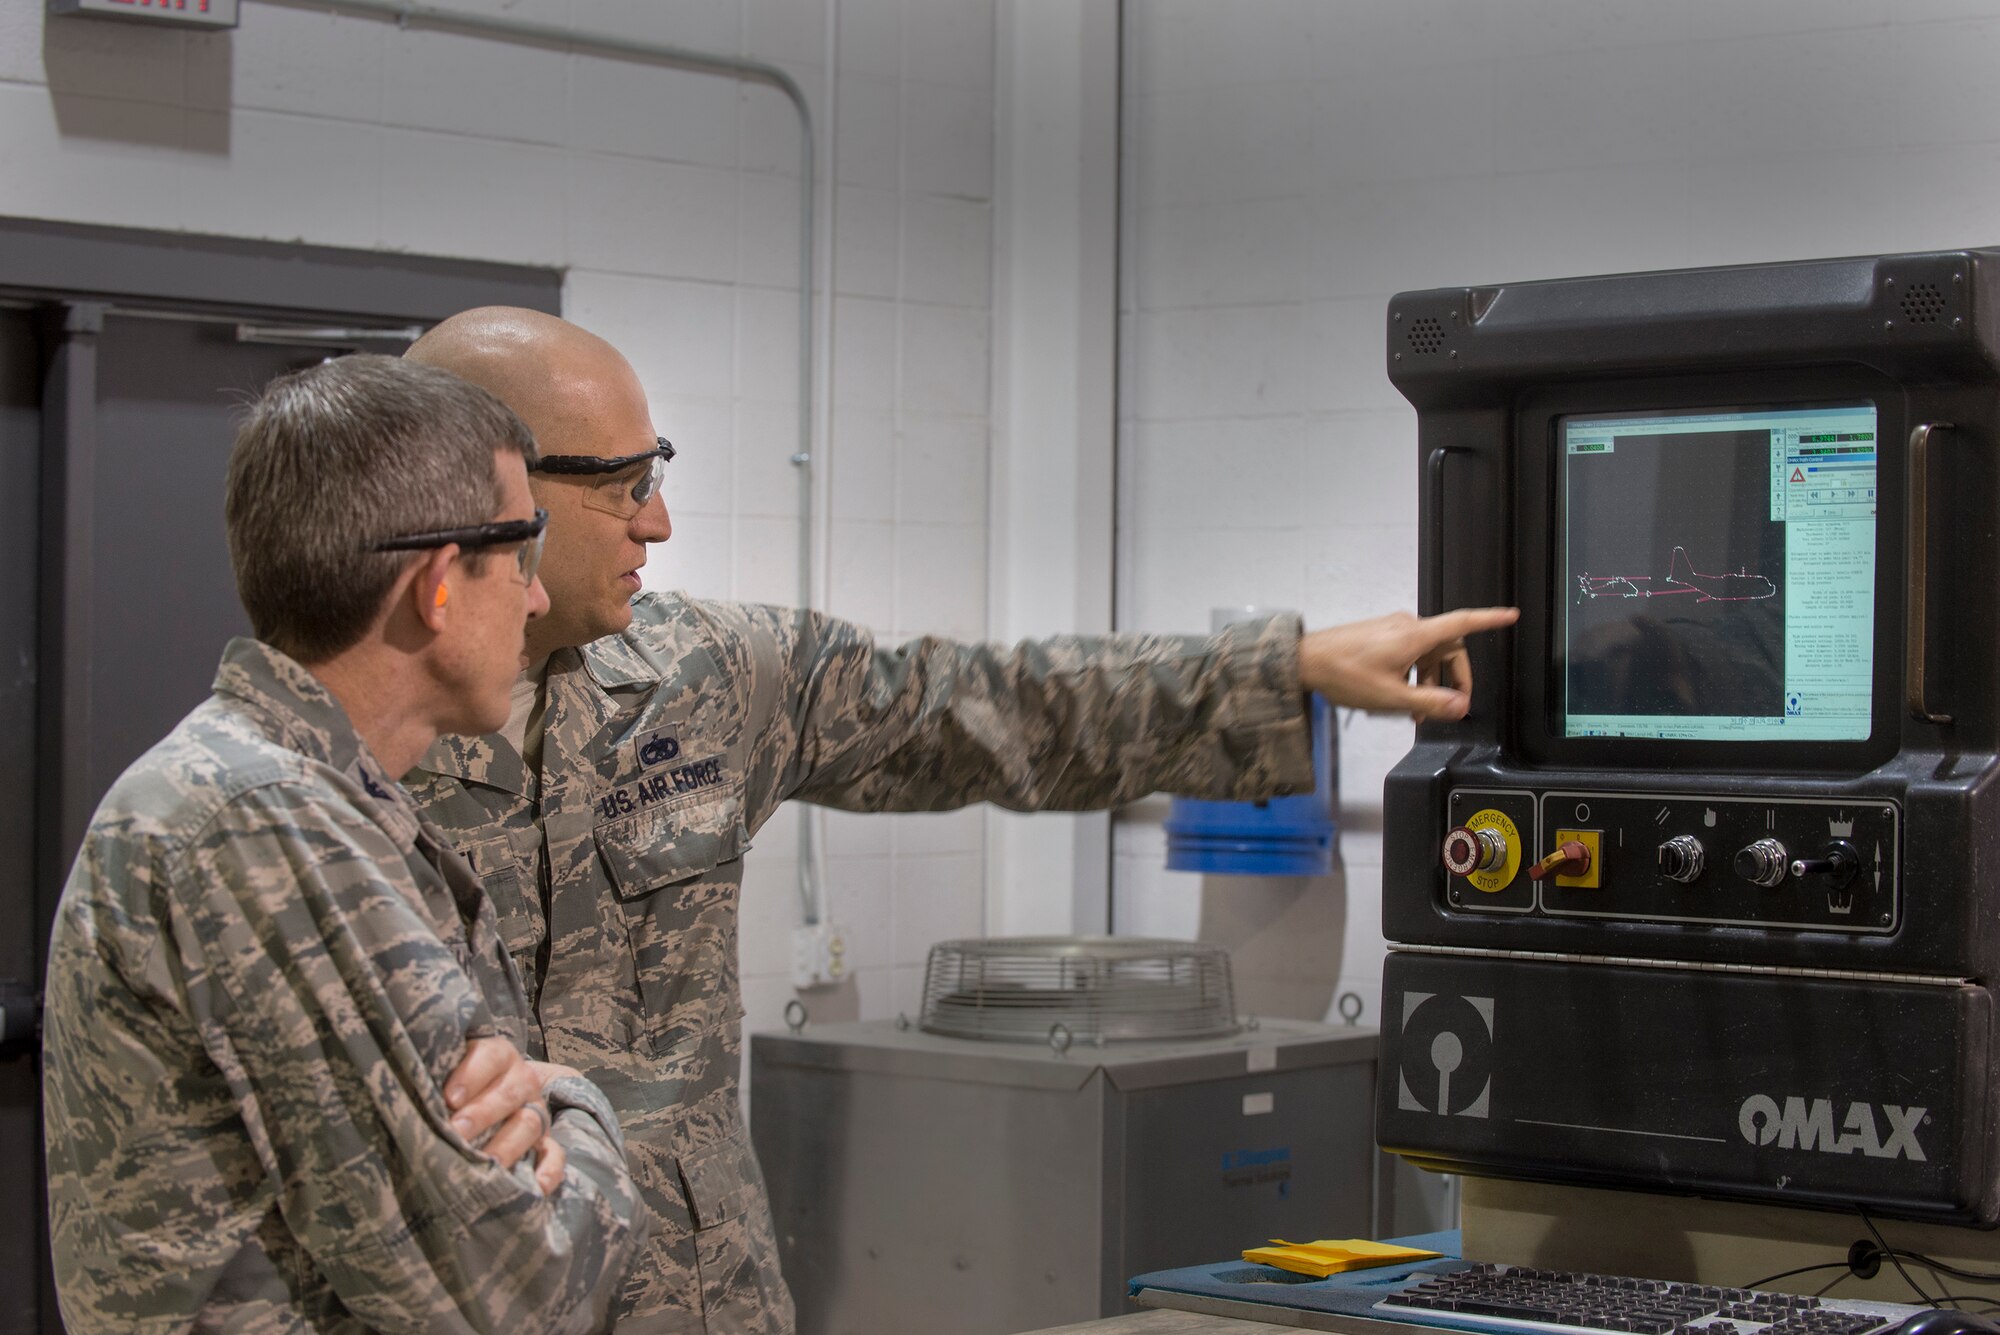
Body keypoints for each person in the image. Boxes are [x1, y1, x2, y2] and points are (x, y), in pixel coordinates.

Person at [403, 307, 1518, 1335]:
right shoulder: (329, 755)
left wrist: (1287, 671)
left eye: (659, 472)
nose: (659, 518)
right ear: (489, 489)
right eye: (620, 483)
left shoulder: (704, 676)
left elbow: (985, 706)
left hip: (687, 1303)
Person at [42, 355, 647, 1334]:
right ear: (440, 586)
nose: (536, 603)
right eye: (522, 559)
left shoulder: (314, 796)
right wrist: (574, 1105)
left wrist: (526, 1105)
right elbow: (514, 1289)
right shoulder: (260, 820)